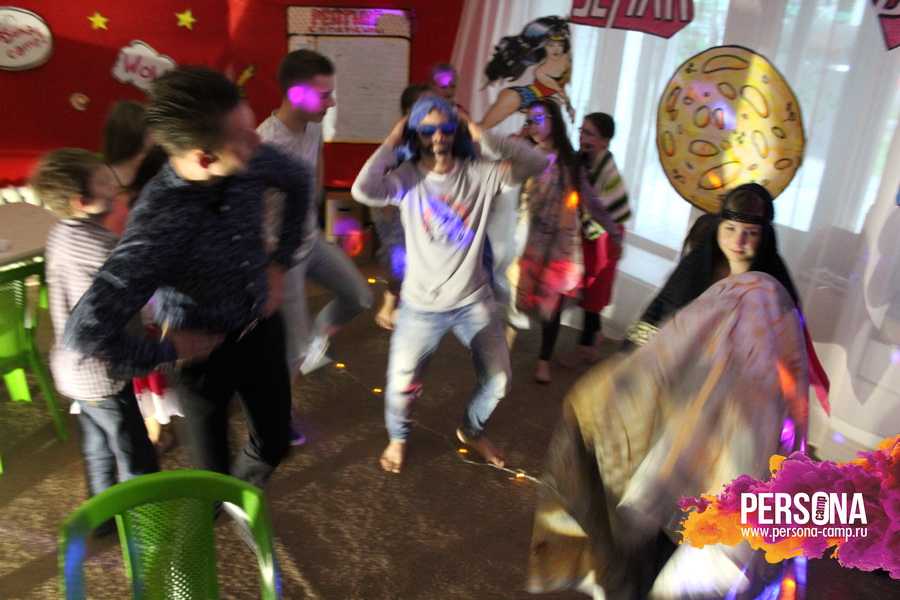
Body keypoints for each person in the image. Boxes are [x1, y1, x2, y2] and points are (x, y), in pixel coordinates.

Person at [63, 66, 312, 488]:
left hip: (262, 330)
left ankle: (237, 503)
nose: (258, 141)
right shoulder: (159, 222)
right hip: (204, 358)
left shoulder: (249, 160)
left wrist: (279, 263)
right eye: (244, 137)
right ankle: (217, 506)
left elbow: (300, 180)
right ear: (204, 158)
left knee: (273, 445)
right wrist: (164, 350)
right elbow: (83, 334)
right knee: (208, 479)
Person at [527, 271, 812, 599]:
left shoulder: (754, 396)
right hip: (694, 530)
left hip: (701, 531)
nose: (741, 331)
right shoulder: (767, 390)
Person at [352, 94, 549, 474]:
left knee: (499, 380)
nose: (438, 136)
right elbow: (363, 190)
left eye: (446, 128)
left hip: (473, 301)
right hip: (419, 306)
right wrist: (393, 139)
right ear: (416, 133)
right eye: (428, 130)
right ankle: (399, 437)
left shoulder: (481, 174)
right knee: (400, 385)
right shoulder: (407, 178)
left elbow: (537, 161)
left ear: (455, 130)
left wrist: (480, 132)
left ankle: (471, 431)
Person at [34, 148, 159, 524]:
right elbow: (134, 289)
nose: (113, 186)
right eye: (104, 183)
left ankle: (101, 516)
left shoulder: (61, 233)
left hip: (73, 369)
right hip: (101, 372)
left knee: (97, 447)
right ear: (82, 201)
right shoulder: (100, 246)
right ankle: (145, 523)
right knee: (135, 452)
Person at [257, 49, 373, 378]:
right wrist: (271, 263)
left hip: (311, 238)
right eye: (324, 95)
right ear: (296, 95)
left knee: (359, 298)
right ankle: (277, 408)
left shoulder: (312, 125)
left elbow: (316, 166)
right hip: (282, 255)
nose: (331, 103)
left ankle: (315, 337)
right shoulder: (265, 145)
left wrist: (320, 216)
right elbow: (249, 212)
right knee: (294, 353)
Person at [511, 100, 622, 384]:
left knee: (553, 304)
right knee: (522, 300)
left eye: (537, 119)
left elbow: (592, 201)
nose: (532, 126)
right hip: (534, 241)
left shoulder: (571, 161)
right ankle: (504, 350)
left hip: (561, 246)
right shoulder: (530, 155)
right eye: (528, 121)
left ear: (554, 120)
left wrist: (613, 232)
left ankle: (545, 361)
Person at [557, 112, 631, 367]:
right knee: (587, 287)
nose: (583, 137)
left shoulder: (606, 167)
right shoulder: (584, 160)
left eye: (589, 133)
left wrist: (616, 240)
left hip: (605, 235)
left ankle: (585, 349)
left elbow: (599, 208)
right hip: (591, 232)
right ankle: (595, 335)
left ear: (605, 141)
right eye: (582, 131)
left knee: (594, 288)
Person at [372, 83, 431, 330]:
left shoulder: (424, 131)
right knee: (400, 259)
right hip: (393, 205)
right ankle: (391, 307)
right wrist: (386, 201)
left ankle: (398, 306)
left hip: (412, 204)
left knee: (411, 259)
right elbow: (384, 166)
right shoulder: (402, 133)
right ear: (410, 109)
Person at [480, 17, 574, 130]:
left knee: (549, 108)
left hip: (546, 101)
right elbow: (558, 89)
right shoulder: (540, 70)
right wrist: (567, 103)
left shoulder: (566, 59)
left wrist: (567, 104)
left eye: (560, 44)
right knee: (512, 98)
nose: (556, 49)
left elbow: (563, 86)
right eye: (551, 44)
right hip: (532, 95)